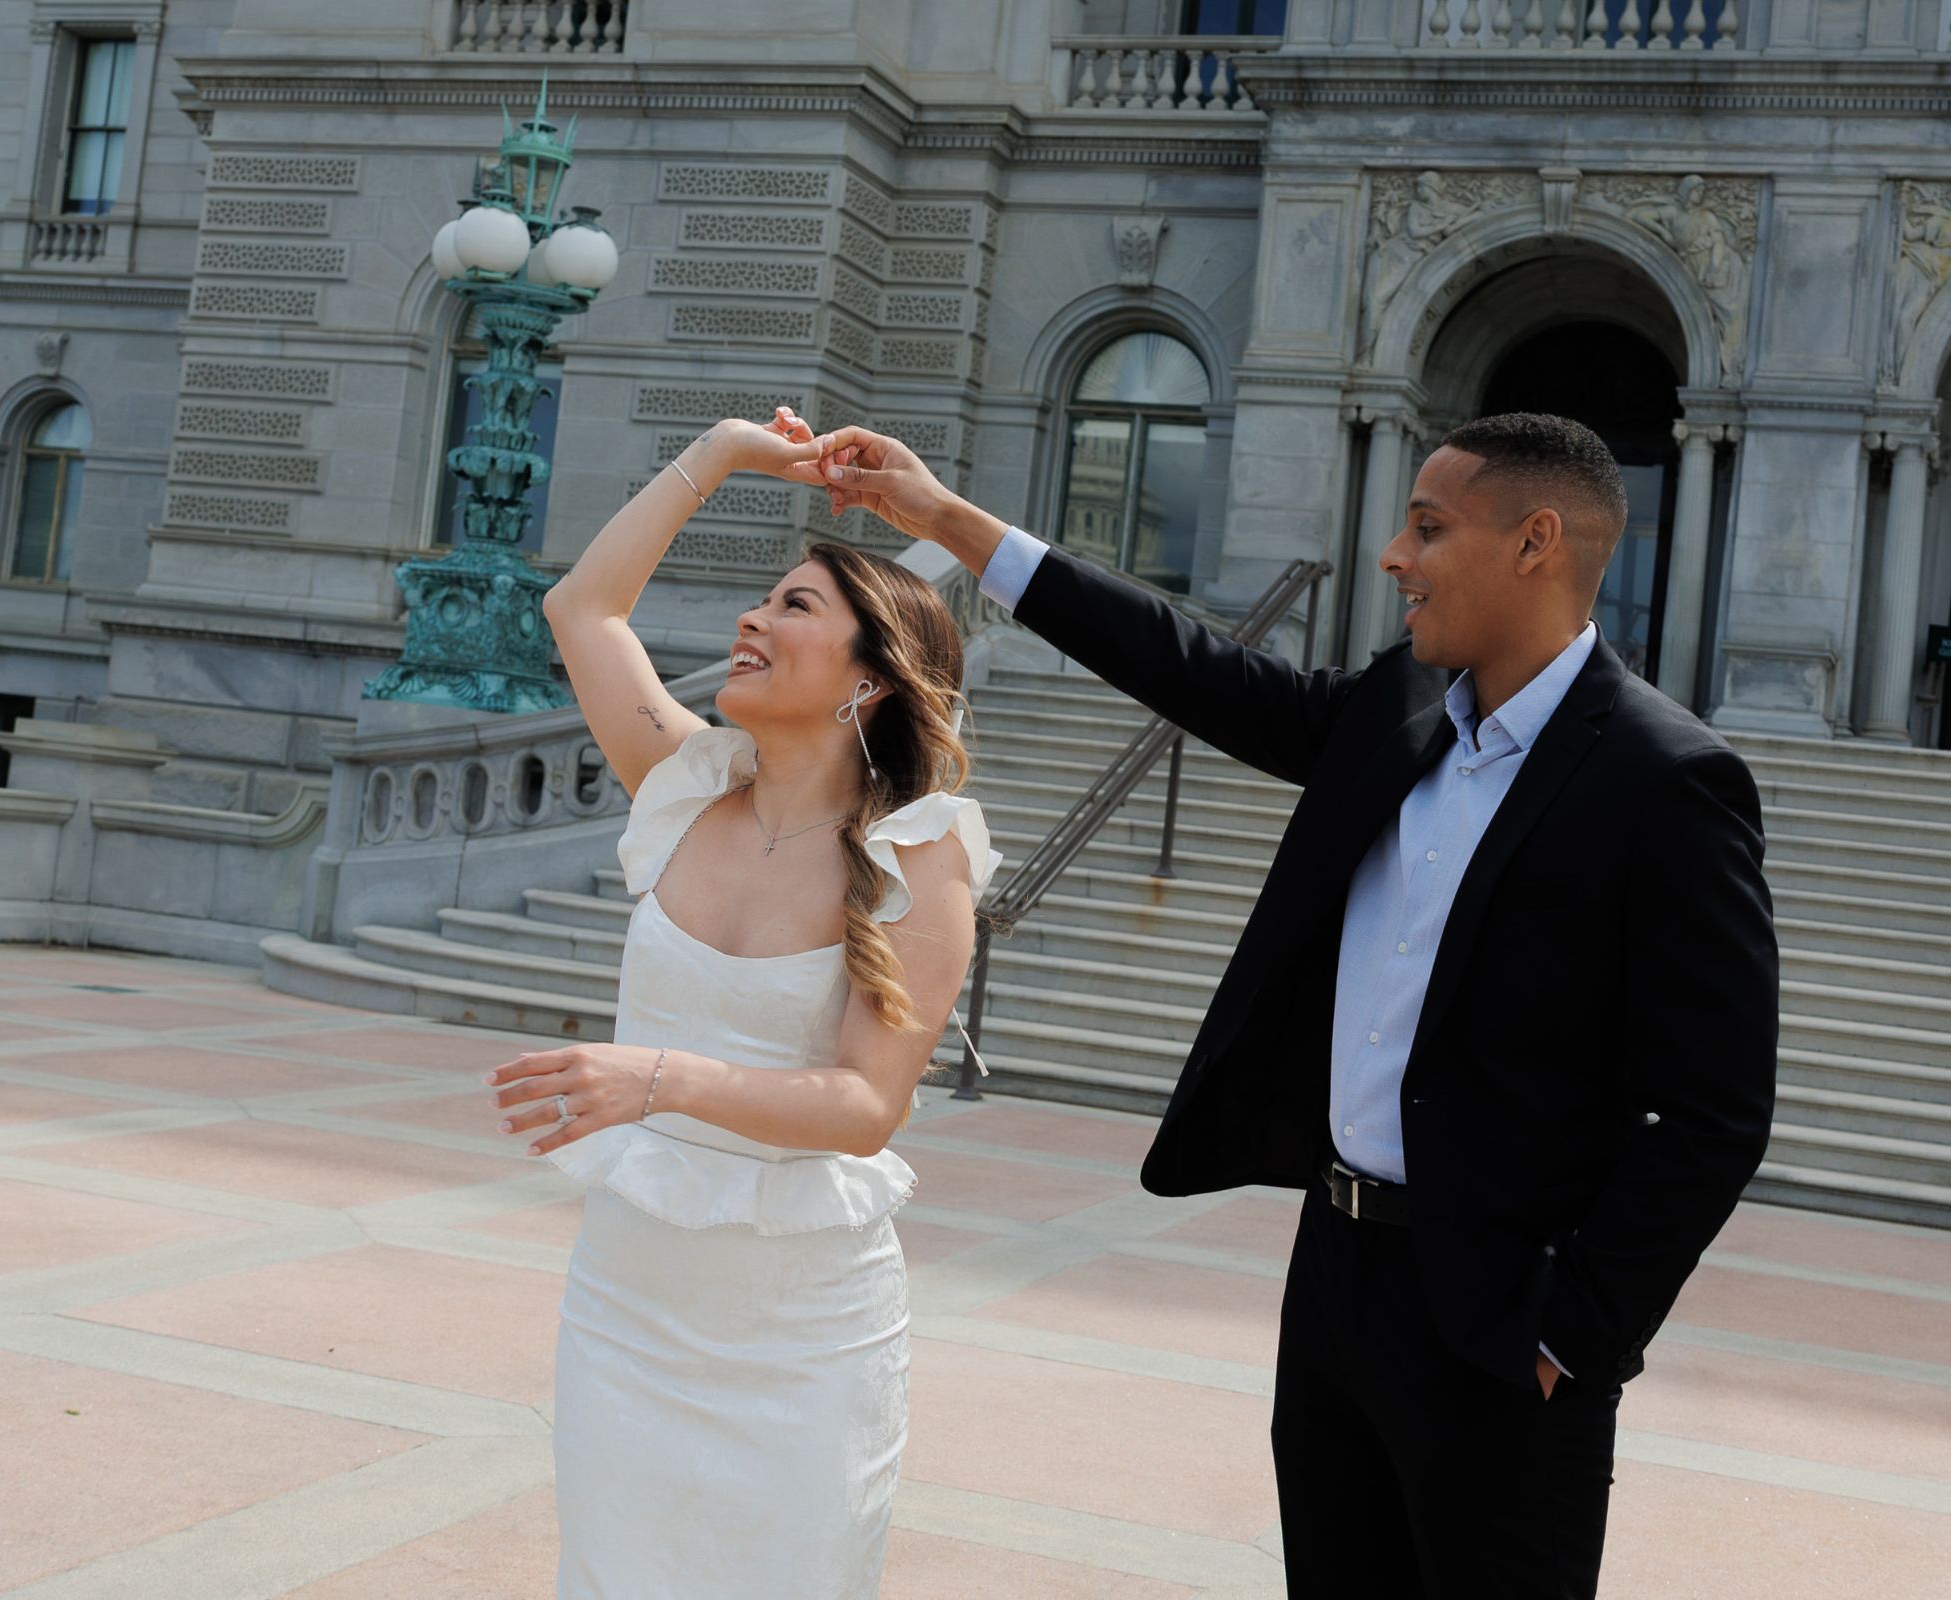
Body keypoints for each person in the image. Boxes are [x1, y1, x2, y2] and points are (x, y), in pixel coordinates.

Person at [811, 411, 1778, 1598]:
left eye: (1426, 527)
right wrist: (946, 522)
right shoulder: (1398, 711)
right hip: (1335, 1277)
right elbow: (1188, 663)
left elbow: (1715, 1111)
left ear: (1535, 542)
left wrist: (1568, 1333)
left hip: (1497, 1317)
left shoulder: (1665, 780)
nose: (1392, 555)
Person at [483, 406, 1001, 1600]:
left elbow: (867, 1105)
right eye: (763, 599)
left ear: (871, 679)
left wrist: (654, 1081)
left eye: (793, 608)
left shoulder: (918, 857)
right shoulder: (679, 787)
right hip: (626, 1301)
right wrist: (715, 457)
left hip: (802, 1331)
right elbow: (583, 609)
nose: (751, 620)